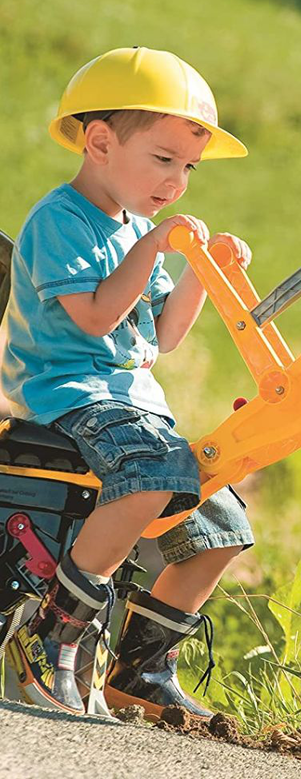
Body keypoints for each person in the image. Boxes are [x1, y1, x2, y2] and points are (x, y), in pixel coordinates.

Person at [1, 46, 254, 719]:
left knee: (224, 518)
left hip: (129, 406)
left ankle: (141, 671)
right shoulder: (61, 220)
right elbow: (93, 318)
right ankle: (52, 631)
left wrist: (203, 269)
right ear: (101, 142)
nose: (178, 181)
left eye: (189, 168)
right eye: (164, 159)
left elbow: (162, 336)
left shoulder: (137, 228)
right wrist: (154, 246)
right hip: (67, 395)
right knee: (152, 472)